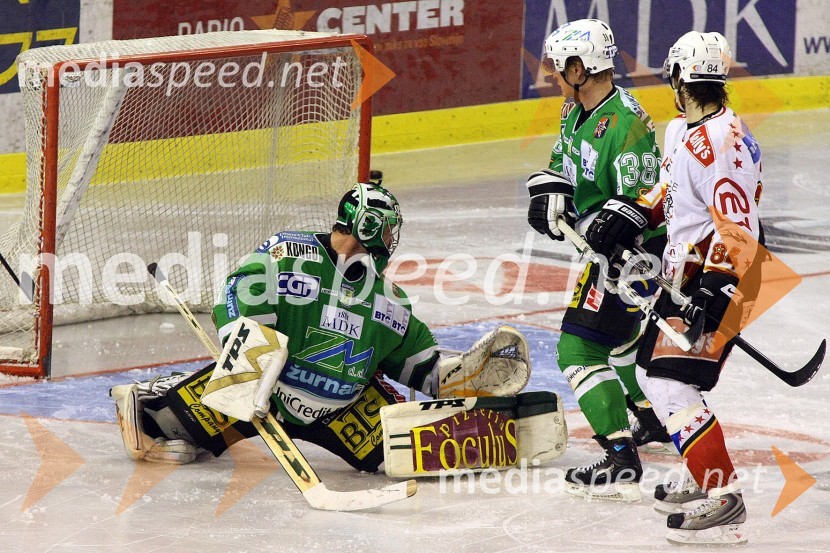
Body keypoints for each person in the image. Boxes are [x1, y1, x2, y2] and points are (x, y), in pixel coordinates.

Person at [110, 181, 529, 473]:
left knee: (409, 457)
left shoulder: (390, 300)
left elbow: (420, 366)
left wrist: (465, 374)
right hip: (265, 398)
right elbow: (238, 293)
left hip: (342, 410)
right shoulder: (287, 254)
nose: (392, 239)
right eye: (387, 229)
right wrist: (247, 366)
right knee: (160, 427)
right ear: (368, 226)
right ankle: (153, 394)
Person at [623, 32, 760, 545]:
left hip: (719, 278)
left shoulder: (721, 145)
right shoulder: (686, 131)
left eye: (673, 80)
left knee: (667, 382)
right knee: (653, 372)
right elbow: (674, 193)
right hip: (687, 276)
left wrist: (717, 288)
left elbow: (738, 228)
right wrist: (633, 211)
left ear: (683, 79)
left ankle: (722, 495)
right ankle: (701, 462)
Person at [526, 18, 665, 501]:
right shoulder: (574, 111)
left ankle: (620, 457)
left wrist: (617, 230)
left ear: (580, 68)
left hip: (635, 259)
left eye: (558, 67)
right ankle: (650, 417)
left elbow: (645, 201)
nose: (552, 75)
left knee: (579, 350)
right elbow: (562, 170)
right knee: (623, 342)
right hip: (603, 253)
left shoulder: (627, 122)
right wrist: (547, 199)